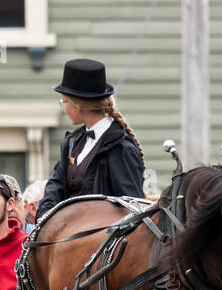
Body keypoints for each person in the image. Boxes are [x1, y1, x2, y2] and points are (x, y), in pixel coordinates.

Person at [39, 58, 146, 216]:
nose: (62, 106)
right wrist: (44, 219)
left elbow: (131, 209)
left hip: (102, 238)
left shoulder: (121, 147)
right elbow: (55, 187)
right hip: (68, 232)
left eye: (63, 101)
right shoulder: (71, 142)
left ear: (78, 104)